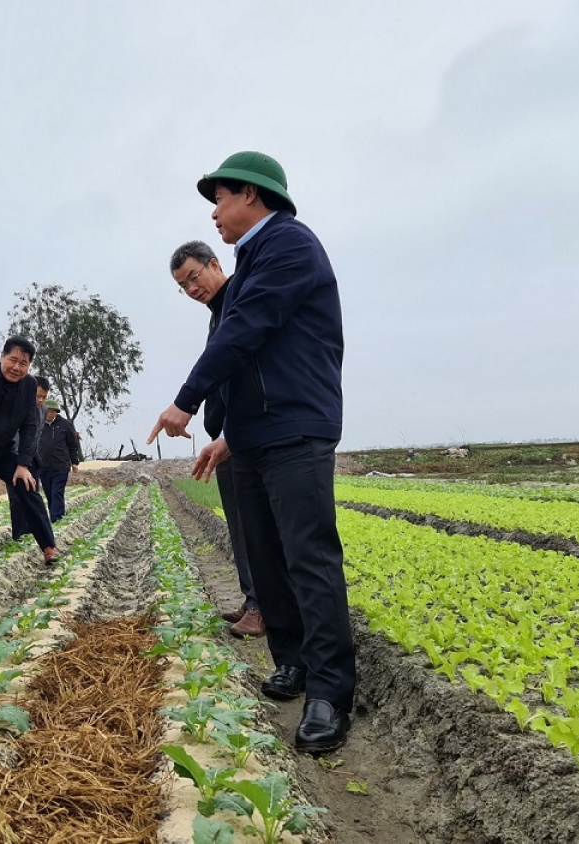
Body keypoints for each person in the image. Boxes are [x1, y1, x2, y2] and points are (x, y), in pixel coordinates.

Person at [149, 152, 355, 753]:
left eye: (221, 199)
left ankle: (329, 692)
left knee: (308, 559)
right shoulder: (255, 256)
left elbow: (248, 332)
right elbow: (255, 362)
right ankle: (292, 663)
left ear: (253, 196)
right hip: (259, 435)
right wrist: (229, 435)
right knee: (267, 560)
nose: (214, 212)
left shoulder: (288, 246)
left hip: (296, 430)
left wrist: (184, 401)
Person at [169, 240, 263, 638]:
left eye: (194, 277)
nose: (192, 289)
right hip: (225, 439)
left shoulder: (237, 301)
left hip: (242, 437)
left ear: (214, 264)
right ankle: (252, 599)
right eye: (184, 286)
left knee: (256, 530)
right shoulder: (216, 314)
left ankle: (261, 607)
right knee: (240, 526)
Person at [0, 337, 62, 565]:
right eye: (13, 360)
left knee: (28, 487)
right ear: (2, 356)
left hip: (2, 451)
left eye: (23, 363)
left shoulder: (29, 385)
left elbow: (30, 425)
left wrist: (23, 464)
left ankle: (49, 546)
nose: (16, 368)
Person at [9, 375, 50, 540]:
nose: (40, 400)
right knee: (17, 498)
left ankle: (32, 532)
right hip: (15, 457)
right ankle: (18, 534)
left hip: (32, 459)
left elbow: (37, 435)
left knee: (33, 495)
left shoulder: (44, 410)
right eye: (38, 395)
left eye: (44, 397)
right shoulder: (18, 406)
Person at [36, 399, 80, 522]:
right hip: (43, 466)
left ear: (56, 412)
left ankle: (57, 519)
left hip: (61, 466)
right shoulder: (37, 424)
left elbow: (72, 444)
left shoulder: (65, 424)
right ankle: (54, 518)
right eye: (47, 411)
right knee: (50, 495)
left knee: (57, 492)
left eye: (52, 412)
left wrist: (74, 462)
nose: (49, 414)